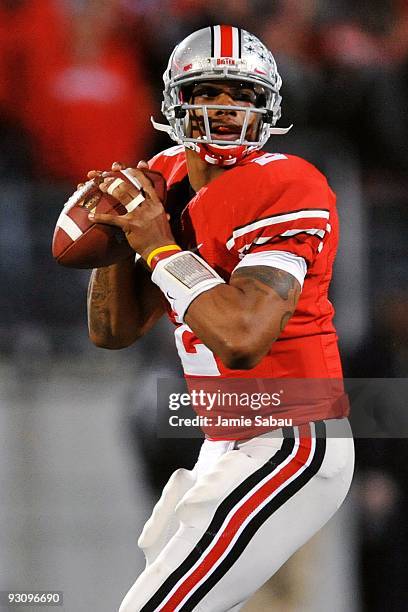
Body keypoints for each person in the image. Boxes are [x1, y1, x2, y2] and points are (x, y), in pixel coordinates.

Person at [86, 25, 354, 612]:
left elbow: (241, 339)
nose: (226, 108)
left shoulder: (286, 184)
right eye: (208, 91)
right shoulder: (168, 178)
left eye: (242, 94)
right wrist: (114, 245)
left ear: (268, 107)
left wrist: (157, 246)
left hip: (291, 439)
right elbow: (113, 332)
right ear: (176, 103)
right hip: (223, 440)